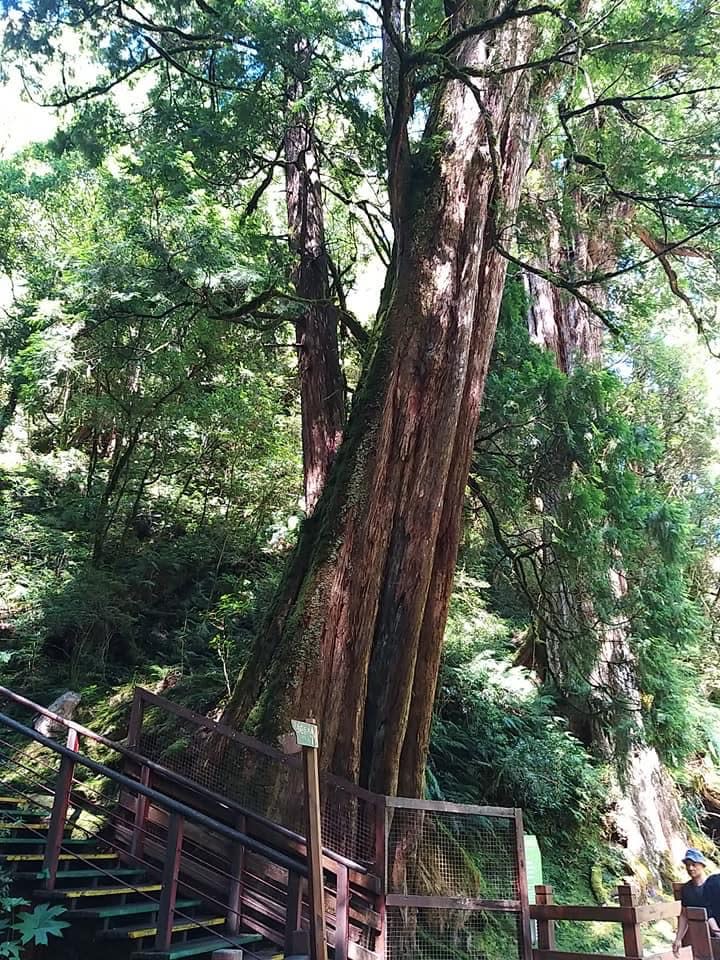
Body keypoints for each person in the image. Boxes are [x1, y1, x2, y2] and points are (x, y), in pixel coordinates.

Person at [673, 849, 710, 956]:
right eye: (687, 865)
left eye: (694, 864)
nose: (690, 868)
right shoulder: (686, 889)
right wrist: (678, 938)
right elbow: (684, 914)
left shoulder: (713, 885)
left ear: (702, 865)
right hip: (697, 937)